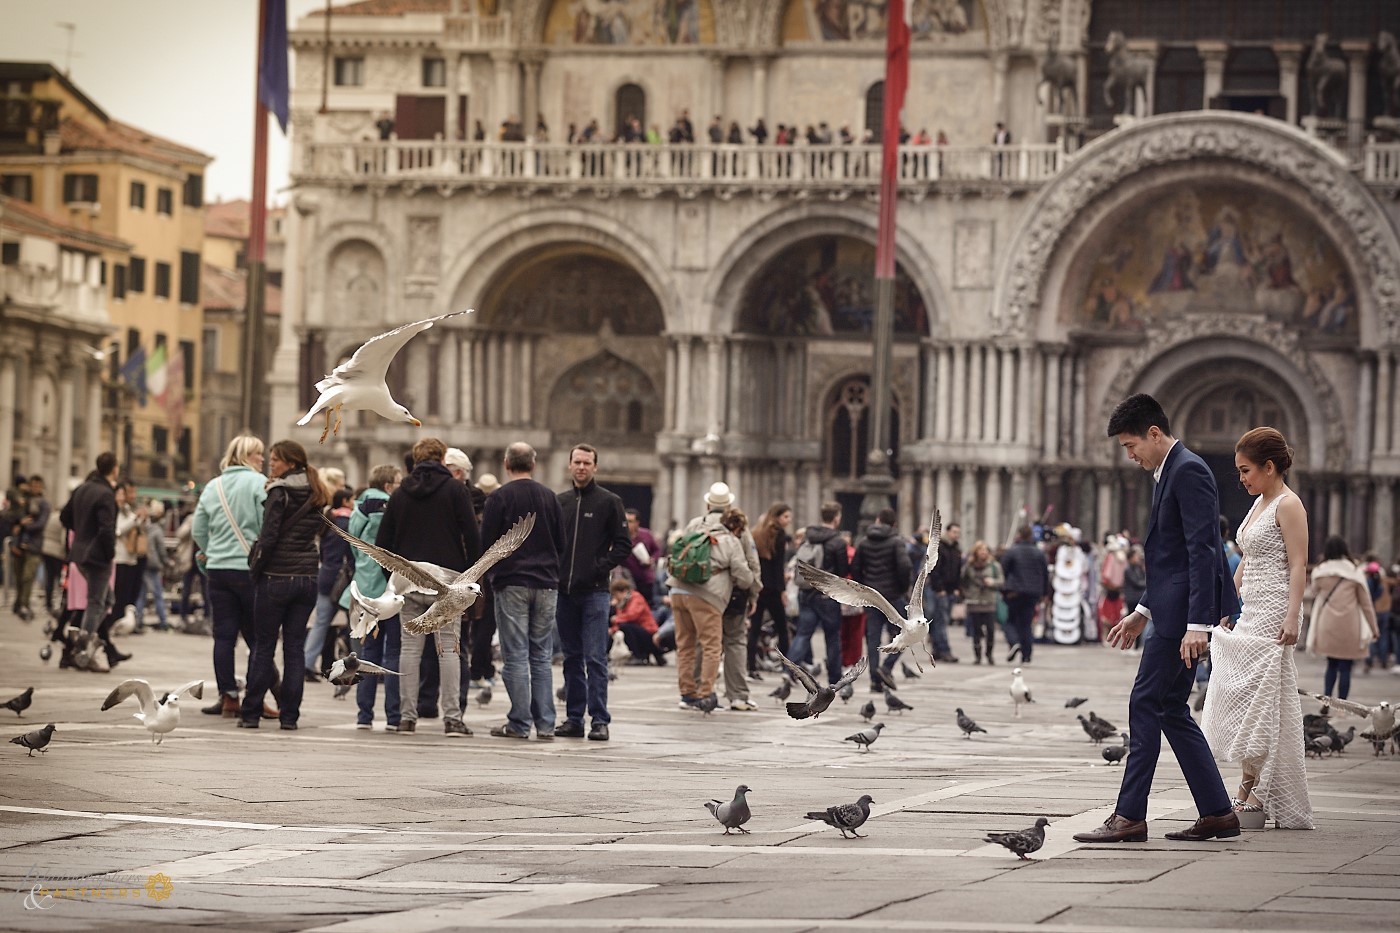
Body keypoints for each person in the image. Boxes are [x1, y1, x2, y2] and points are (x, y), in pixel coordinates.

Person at [1075, 393, 1241, 845]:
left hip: (1182, 620)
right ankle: (1217, 812)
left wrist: (1197, 624)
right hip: (1168, 613)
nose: (1130, 456)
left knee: (1145, 705)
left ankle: (1129, 816)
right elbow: (1169, 559)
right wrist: (1141, 612)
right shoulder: (1168, 471)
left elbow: (1202, 550)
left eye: (1131, 445)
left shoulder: (1188, 471)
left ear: (1154, 433)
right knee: (1170, 709)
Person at [1201, 427, 1314, 830]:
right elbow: (1248, 557)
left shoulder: (1289, 505)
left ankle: (1251, 792)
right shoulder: (1259, 505)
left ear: (1269, 467)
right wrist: (1229, 603)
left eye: (1246, 470)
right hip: (1252, 609)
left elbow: (1298, 564)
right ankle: (1252, 788)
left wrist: (1292, 615)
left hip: (1275, 609)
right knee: (1249, 696)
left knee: (1263, 700)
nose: (1242, 479)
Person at [377, 437, 480, 737]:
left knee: (409, 649)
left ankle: (407, 717)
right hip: (447, 580)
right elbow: (472, 535)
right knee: (448, 649)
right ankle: (452, 718)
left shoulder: (400, 494)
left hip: (409, 581)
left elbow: (383, 542)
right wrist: (468, 578)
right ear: (442, 458)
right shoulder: (455, 490)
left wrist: (394, 580)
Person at [238, 440, 328, 731]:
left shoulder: (279, 491)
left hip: (277, 577)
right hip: (307, 579)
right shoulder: (316, 491)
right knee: (295, 649)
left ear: (290, 463)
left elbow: (269, 536)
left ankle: (250, 713)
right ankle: (290, 717)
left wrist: (255, 571)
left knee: (264, 647)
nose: (271, 464)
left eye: (276, 460)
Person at [482, 442, 566, 740]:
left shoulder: (498, 498)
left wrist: (492, 577)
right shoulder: (550, 498)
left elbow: (488, 546)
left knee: (516, 655)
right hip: (546, 583)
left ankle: (519, 723)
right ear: (534, 463)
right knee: (541, 656)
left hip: (512, 582)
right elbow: (561, 543)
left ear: (506, 464)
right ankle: (545, 724)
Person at [555, 444, 630, 741]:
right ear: (569, 465)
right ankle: (574, 718)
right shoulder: (559, 502)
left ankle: (600, 720)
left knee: (596, 658)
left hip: (595, 592)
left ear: (595, 467)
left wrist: (600, 566)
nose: (581, 467)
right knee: (571, 657)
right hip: (564, 592)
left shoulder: (610, 502)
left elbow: (623, 544)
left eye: (587, 462)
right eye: (577, 462)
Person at [666, 484, 756, 710]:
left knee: (685, 645)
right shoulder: (732, 538)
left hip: (677, 590)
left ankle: (687, 694)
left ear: (708, 504)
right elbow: (745, 575)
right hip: (706, 596)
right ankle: (706, 694)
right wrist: (752, 589)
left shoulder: (694, 525)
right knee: (712, 646)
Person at [341, 464, 402, 731]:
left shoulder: (358, 507)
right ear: (389, 486)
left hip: (364, 587)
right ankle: (393, 716)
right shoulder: (392, 506)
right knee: (392, 653)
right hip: (388, 591)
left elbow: (354, 548)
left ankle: (364, 715)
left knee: (366, 653)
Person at [59, 452, 119, 671]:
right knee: (95, 602)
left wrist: (82, 532)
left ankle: (82, 640)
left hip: (80, 553)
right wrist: (110, 551)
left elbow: (64, 517)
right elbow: (106, 529)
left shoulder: (81, 489)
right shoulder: (105, 493)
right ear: (114, 469)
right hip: (97, 555)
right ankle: (83, 650)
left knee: (107, 600)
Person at [1307, 536, 1379, 701]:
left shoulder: (1320, 571)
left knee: (1331, 664)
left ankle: (1327, 700)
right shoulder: (1354, 571)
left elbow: (1313, 592)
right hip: (1350, 623)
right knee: (1346, 667)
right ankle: (1343, 704)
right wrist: (1374, 628)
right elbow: (1366, 604)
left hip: (1327, 623)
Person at [789, 501, 850, 682]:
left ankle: (788, 671)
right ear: (837, 518)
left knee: (803, 633)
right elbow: (842, 571)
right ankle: (834, 677)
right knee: (832, 637)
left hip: (806, 593)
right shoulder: (837, 542)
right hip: (827, 595)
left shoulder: (808, 537)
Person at [852, 508, 911, 689]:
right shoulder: (897, 542)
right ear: (894, 523)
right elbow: (905, 567)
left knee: (873, 637)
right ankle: (886, 667)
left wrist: (865, 589)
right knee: (906, 635)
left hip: (872, 597)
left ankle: (874, 681)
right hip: (893, 596)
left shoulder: (863, 542)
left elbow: (855, 568)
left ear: (877, 520)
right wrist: (901, 588)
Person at [304, 488, 354, 680]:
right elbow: (351, 555)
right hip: (343, 581)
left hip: (325, 577)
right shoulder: (347, 523)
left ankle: (307, 663)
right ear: (346, 501)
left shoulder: (328, 521)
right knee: (354, 624)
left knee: (320, 623)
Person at [717, 501, 761, 711]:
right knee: (735, 641)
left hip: (705, 596)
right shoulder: (740, 537)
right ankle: (738, 695)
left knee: (706, 643)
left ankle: (697, 694)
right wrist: (753, 594)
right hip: (734, 597)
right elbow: (751, 567)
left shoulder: (702, 528)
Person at [748, 502, 793, 678]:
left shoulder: (757, 532)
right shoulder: (779, 535)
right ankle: (786, 668)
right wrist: (782, 591)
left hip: (759, 587)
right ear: (777, 517)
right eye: (786, 517)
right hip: (773, 588)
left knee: (754, 628)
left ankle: (751, 668)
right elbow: (778, 566)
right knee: (783, 629)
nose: (788, 520)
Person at [1000, 525, 1049, 663]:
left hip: (1014, 591)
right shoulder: (1039, 553)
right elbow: (1045, 575)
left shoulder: (1011, 552)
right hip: (1032, 592)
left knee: (1009, 621)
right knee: (1026, 624)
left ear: (1019, 535)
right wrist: (1045, 593)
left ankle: (1014, 642)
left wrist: (1002, 590)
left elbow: (1003, 571)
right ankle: (1027, 654)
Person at [11, 473, 49, 620]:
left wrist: (25, 525)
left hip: (34, 545)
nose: (35, 488)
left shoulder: (44, 503)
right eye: (33, 485)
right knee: (19, 576)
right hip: (20, 543)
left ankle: (24, 605)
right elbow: (14, 518)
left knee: (28, 576)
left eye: (38, 486)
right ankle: (19, 602)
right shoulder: (24, 500)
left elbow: (40, 524)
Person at [924, 522, 962, 663]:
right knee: (940, 620)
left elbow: (958, 570)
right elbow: (934, 569)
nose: (956, 535)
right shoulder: (940, 547)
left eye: (958, 532)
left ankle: (936, 650)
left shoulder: (956, 549)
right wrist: (939, 588)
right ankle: (944, 650)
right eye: (954, 532)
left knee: (937, 620)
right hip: (938, 589)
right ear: (947, 532)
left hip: (950, 589)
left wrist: (958, 587)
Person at [961, 540, 1004, 665]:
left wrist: (992, 582)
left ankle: (989, 654)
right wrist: (966, 593)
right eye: (981, 550)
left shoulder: (994, 566)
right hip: (974, 601)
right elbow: (963, 581)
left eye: (986, 550)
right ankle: (977, 655)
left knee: (990, 630)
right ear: (976, 552)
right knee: (976, 630)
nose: (983, 553)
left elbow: (1001, 580)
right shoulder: (969, 566)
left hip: (989, 601)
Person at [133, 500, 170, 631]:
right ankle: (163, 622)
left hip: (142, 563)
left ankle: (138, 620)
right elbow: (161, 550)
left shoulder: (142, 528)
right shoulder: (157, 530)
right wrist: (166, 561)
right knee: (158, 594)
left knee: (141, 594)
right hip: (153, 565)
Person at [609, 577, 661, 664]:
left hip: (649, 632)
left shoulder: (636, 598)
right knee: (621, 627)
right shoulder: (622, 604)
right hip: (638, 630)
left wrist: (616, 619)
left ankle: (638, 656)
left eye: (615, 595)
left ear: (622, 591)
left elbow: (632, 615)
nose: (615, 598)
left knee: (625, 627)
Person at [621, 508, 663, 608]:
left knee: (648, 605)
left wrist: (652, 559)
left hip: (646, 579)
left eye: (630, 521)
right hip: (628, 580)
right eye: (625, 521)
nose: (627, 524)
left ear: (637, 523)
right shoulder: (621, 537)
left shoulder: (646, 535)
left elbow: (657, 550)